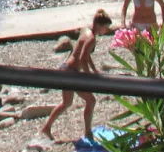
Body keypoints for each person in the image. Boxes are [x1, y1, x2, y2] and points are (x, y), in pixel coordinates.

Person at [41, 10, 113, 143]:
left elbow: (85, 54)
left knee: (67, 103)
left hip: (66, 69)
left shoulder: (86, 31)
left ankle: (46, 127)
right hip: (71, 72)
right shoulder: (91, 38)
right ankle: (88, 132)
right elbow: (82, 58)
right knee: (91, 101)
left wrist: (93, 70)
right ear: (99, 25)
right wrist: (87, 76)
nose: (106, 31)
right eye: (106, 28)